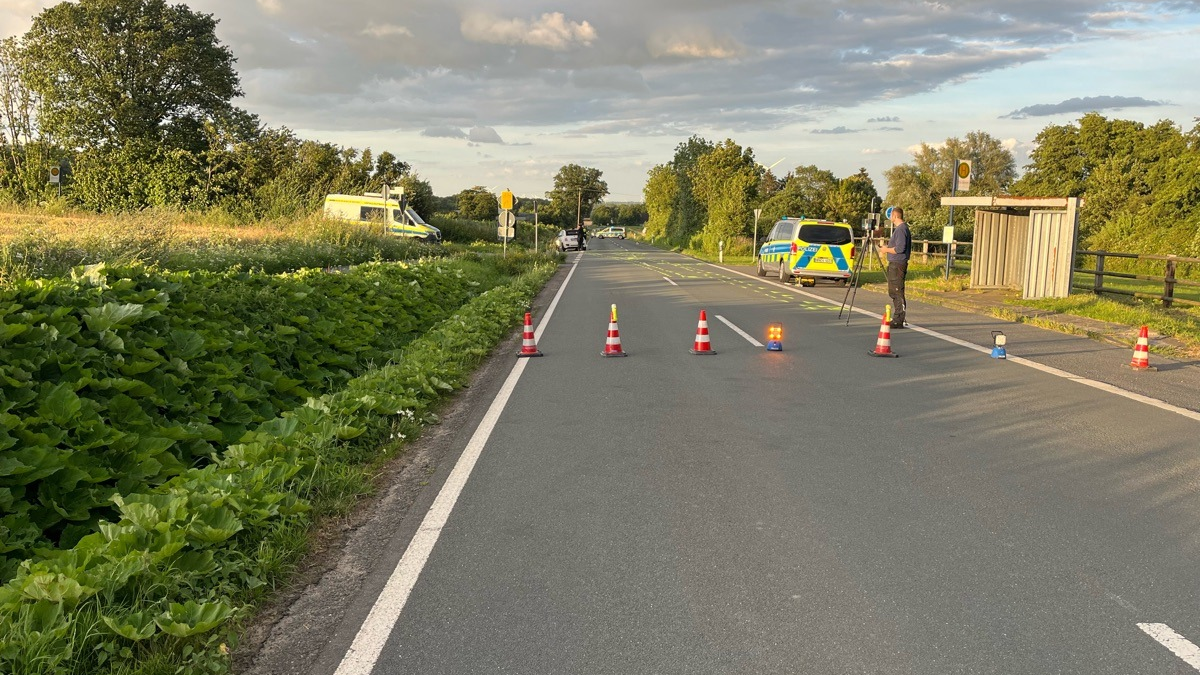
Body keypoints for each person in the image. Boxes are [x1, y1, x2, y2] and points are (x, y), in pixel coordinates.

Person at [878, 206, 911, 328]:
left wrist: (886, 249)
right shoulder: (900, 229)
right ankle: (897, 316)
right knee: (893, 291)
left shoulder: (901, 229)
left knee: (897, 291)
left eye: (891, 215)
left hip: (898, 264)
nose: (890, 217)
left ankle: (899, 318)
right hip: (895, 264)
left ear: (895, 216)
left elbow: (900, 248)